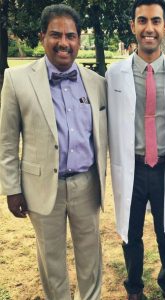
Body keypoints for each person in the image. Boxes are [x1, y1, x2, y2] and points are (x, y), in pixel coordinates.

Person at [0, 4, 107, 300]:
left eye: (71, 36)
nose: (64, 42)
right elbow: (7, 141)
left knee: (91, 257)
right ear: (42, 37)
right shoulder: (17, 80)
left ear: (79, 39)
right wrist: (12, 188)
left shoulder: (97, 83)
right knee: (51, 259)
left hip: (87, 184)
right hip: (41, 186)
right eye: (56, 35)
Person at [106, 1, 165, 299]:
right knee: (131, 234)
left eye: (156, 21)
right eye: (142, 21)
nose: (149, 28)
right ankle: (134, 288)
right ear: (133, 26)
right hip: (133, 167)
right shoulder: (114, 75)